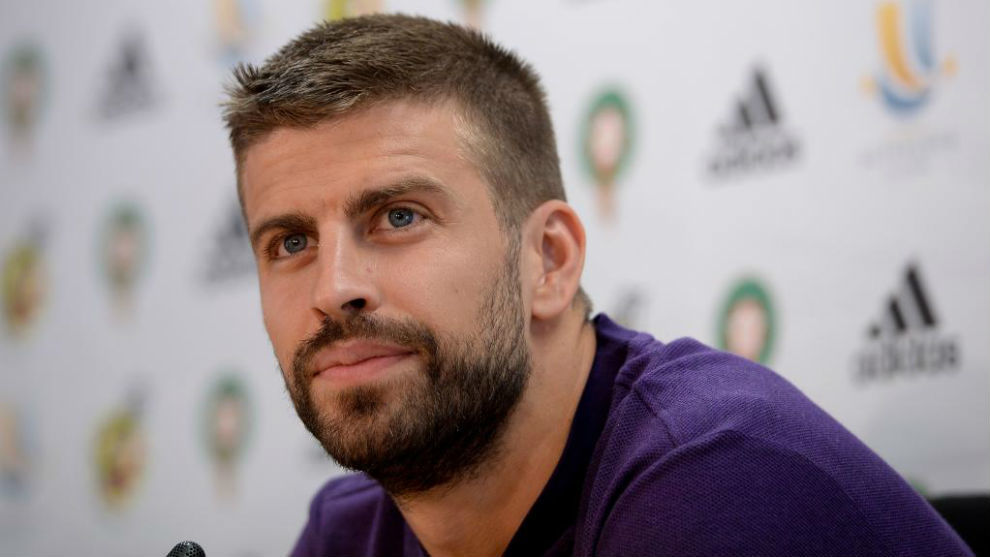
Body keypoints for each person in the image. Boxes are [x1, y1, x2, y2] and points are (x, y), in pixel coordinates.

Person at [222, 14, 971, 557]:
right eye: (291, 243)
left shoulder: (718, 481)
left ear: (548, 261)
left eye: (398, 217)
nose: (333, 288)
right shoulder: (349, 532)